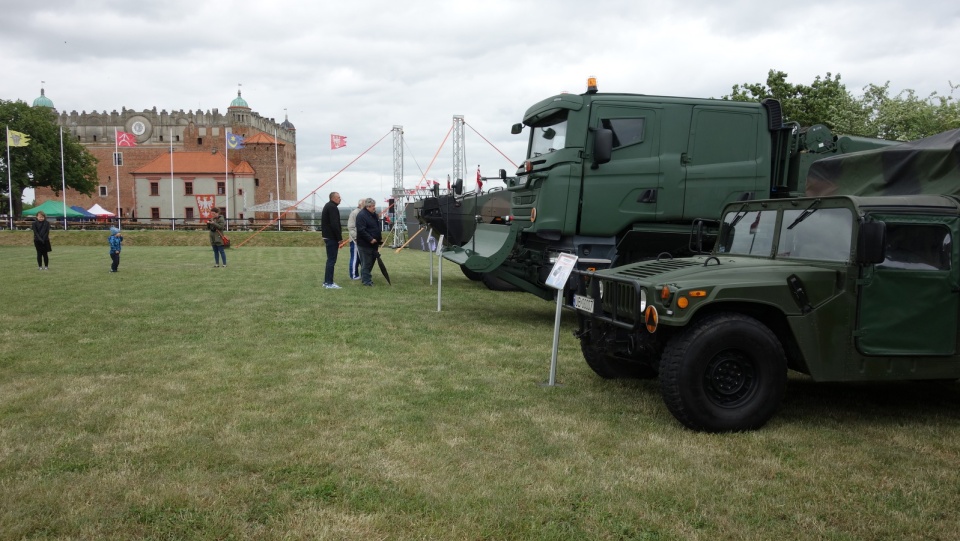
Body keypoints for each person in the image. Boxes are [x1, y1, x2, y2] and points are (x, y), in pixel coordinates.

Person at [355, 197, 382, 287]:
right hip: (365, 244)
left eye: (374, 205)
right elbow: (361, 230)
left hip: (374, 244)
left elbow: (376, 227)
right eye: (372, 206)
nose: (374, 207)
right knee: (366, 262)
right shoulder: (361, 215)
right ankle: (367, 281)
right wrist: (370, 239)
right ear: (367, 207)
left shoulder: (374, 215)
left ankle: (364, 277)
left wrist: (378, 239)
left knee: (371, 261)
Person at [320, 191, 343, 289]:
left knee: (330, 260)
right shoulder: (332, 207)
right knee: (331, 260)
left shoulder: (328, 206)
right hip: (331, 237)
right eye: (338, 197)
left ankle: (327, 282)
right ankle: (329, 283)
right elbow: (334, 224)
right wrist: (339, 238)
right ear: (333, 198)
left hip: (328, 236)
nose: (340, 199)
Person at [346, 198, 364, 280]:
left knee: (360, 258)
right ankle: (353, 274)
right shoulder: (354, 213)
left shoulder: (363, 213)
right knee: (355, 258)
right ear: (360, 204)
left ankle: (362, 274)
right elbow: (351, 227)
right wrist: (356, 238)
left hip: (362, 239)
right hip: (355, 240)